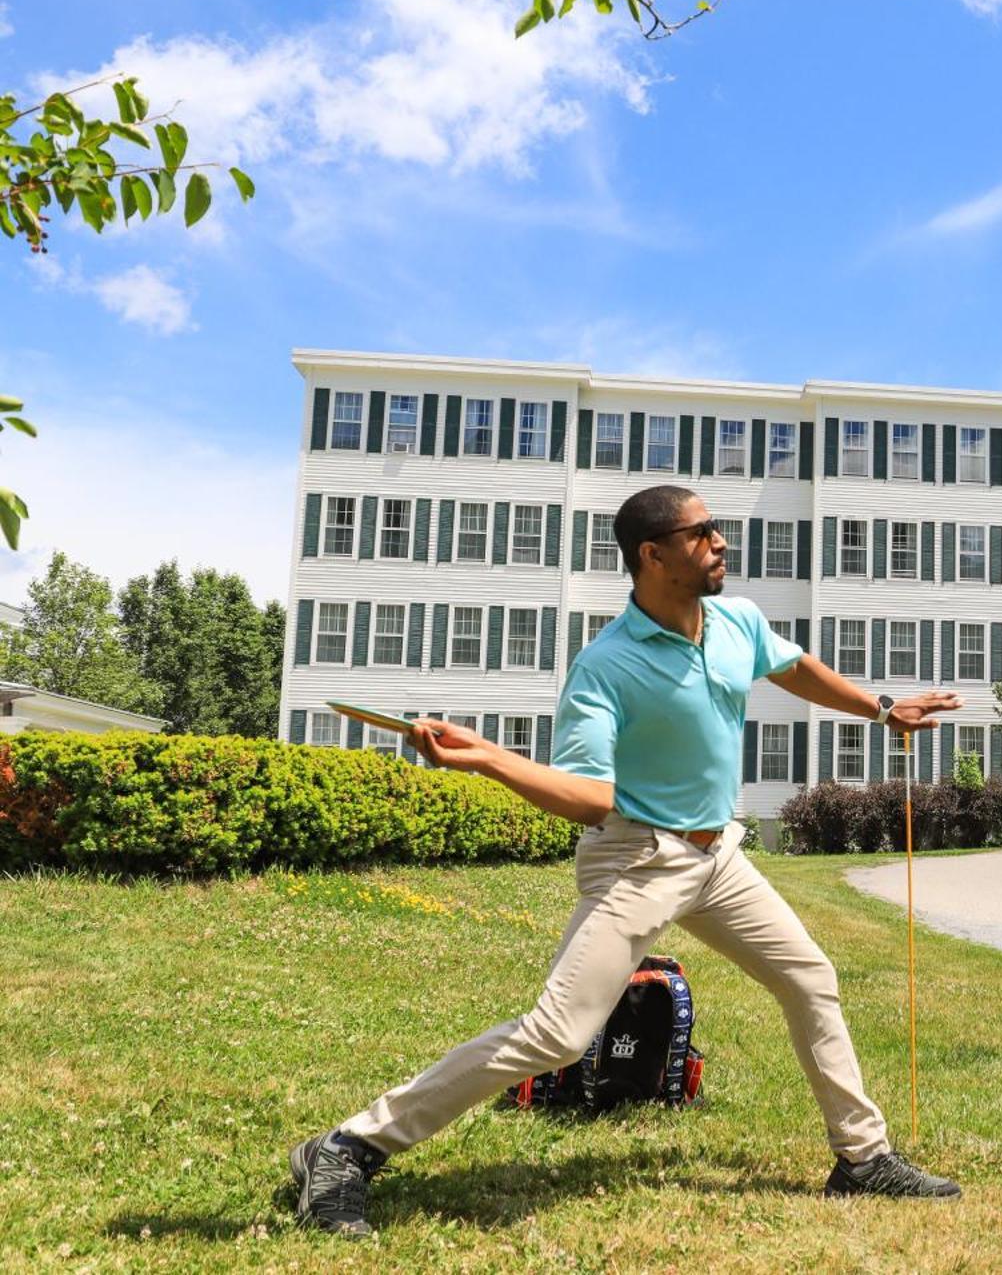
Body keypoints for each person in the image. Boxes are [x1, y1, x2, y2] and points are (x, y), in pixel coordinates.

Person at [290, 484, 965, 1235]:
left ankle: (863, 1157)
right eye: (702, 532)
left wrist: (880, 707)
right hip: (639, 857)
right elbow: (588, 796)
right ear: (653, 553)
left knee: (810, 976)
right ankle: (347, 1146)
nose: (721, 542)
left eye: (717, 529)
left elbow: (791, 665)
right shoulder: (606, 666)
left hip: (719, 854)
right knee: (557, 1034)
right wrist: (486, 756)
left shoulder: (735, 620)